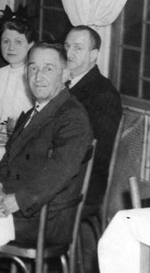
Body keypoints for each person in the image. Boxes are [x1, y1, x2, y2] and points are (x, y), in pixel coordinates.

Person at [0, 43, 93, 273]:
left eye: (48, 69)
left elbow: (59, 172)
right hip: (18, 203)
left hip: (43, 216)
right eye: (33, 68)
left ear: (65, 74)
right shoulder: (33, 112)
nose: (38, 76)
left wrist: (15, 200)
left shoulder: (72, 117)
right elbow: (8, 158)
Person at [64, 25, 122, 272]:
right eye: (67, 46)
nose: (69, 53)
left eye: (78, 48)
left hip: (85, 185)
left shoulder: (101, 92)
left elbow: (98, 154)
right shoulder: (70, 85)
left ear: (94, 55)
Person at [0, 17, 36, 123]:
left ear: (30, 45)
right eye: (6, 42)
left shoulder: (33, 74)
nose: (11, 48)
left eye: (18, 42)